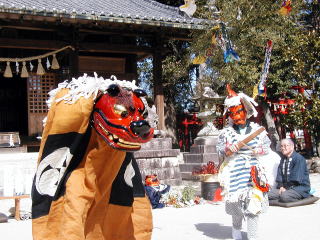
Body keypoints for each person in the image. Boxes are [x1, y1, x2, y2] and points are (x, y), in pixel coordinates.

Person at [217, 85, 275, 240]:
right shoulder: (226, 133)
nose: (236, 116)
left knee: (253, 206)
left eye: (238, 111)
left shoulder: (258, 129)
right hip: (234, 171)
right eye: (232, 113)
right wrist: (228, 149)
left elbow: (267, 147)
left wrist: (259, 150)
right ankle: (236, 230)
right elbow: (220, 149)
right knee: (236, 206)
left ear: (246, 110)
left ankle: (253, 237)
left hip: (253, 170)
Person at [268, 138, 311, 203]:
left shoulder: (298, 159)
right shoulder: (283, 159)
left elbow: (297, 179)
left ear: (292, 146)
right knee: (267, 194)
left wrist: (286, 189)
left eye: (285, 146)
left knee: (285, 196)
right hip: (285, 189)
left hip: (299, 188)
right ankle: (283, 197)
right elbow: (280, 177)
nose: (283, 148)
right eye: (281, 146)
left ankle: (302, 197)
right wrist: (281, 186)